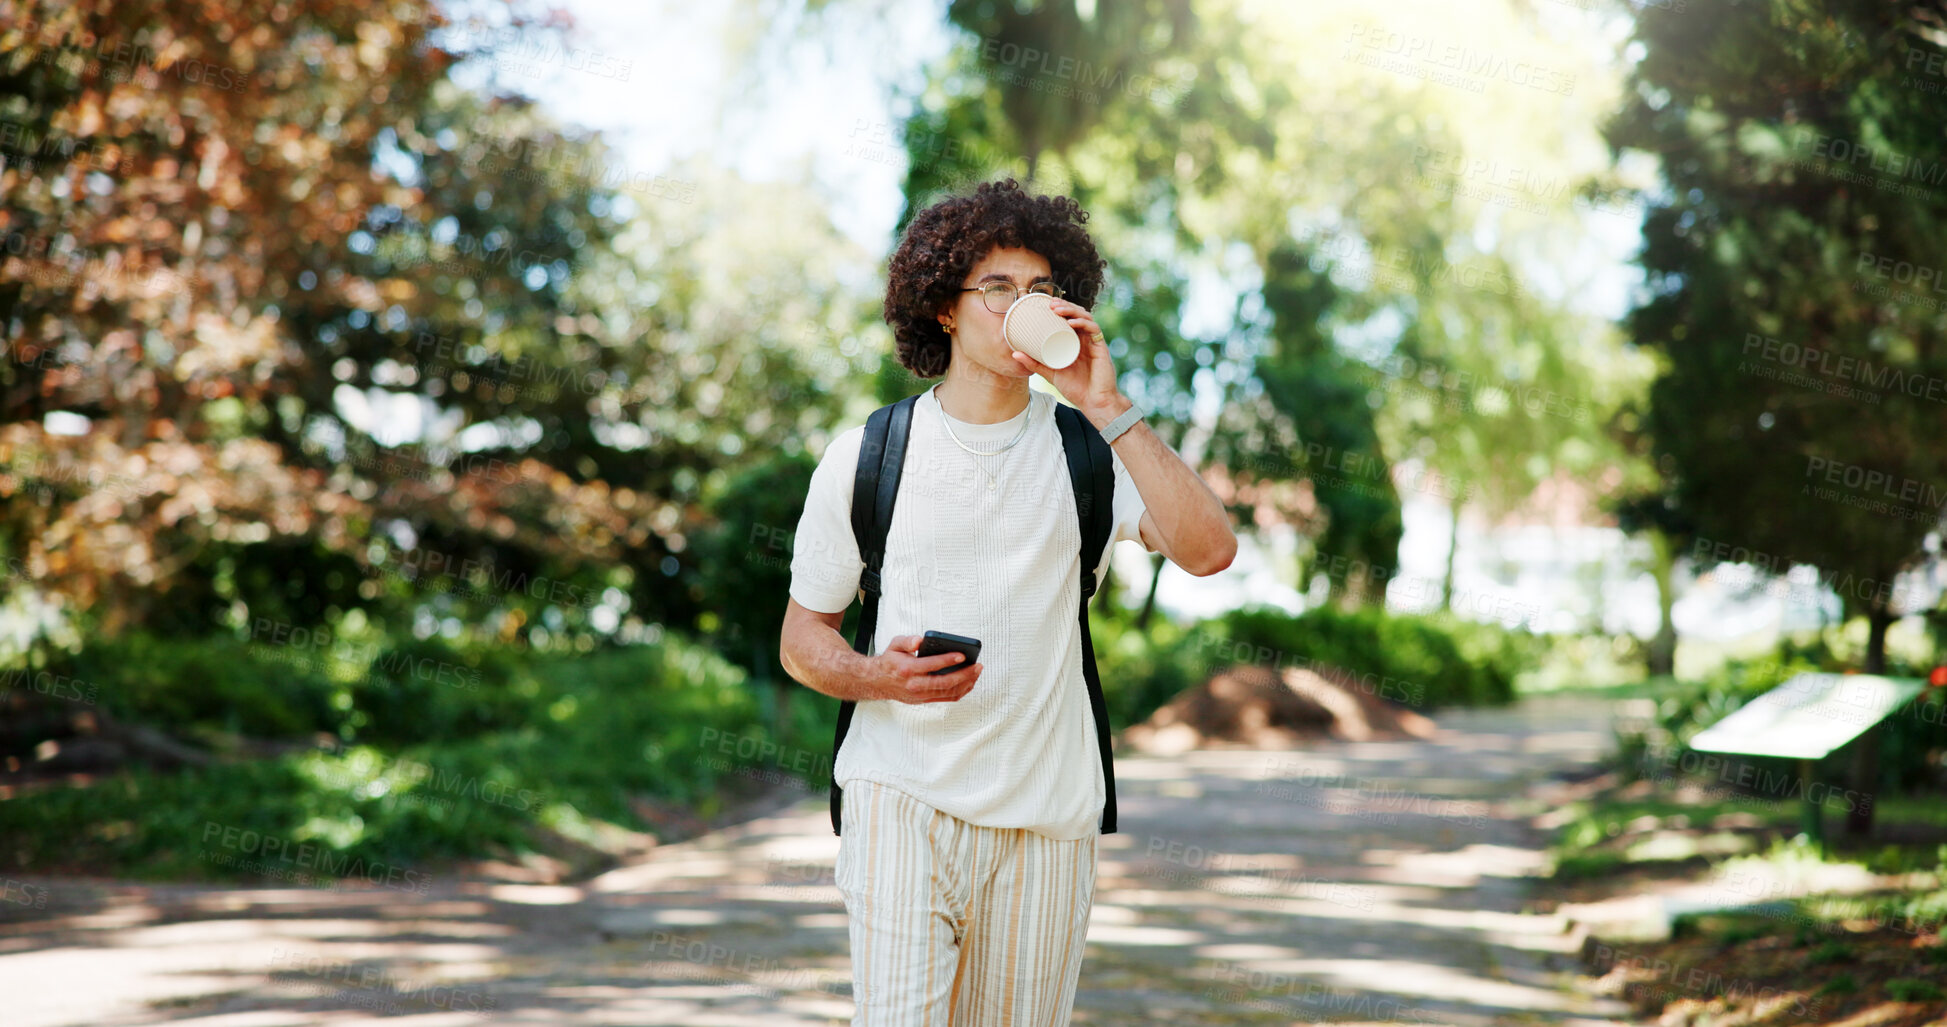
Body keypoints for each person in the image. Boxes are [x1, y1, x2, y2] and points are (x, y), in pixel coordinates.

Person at [778, 178, 1235, 1025]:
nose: (1022, 306)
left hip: (1046, 819)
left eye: (1040, 289)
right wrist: (877, 678)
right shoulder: (869, 453)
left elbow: (1210, 550)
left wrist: (1105, 404)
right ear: (943, 310)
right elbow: (803, 634)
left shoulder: (1087, 455)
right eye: (996, 288)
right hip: (898, 799)